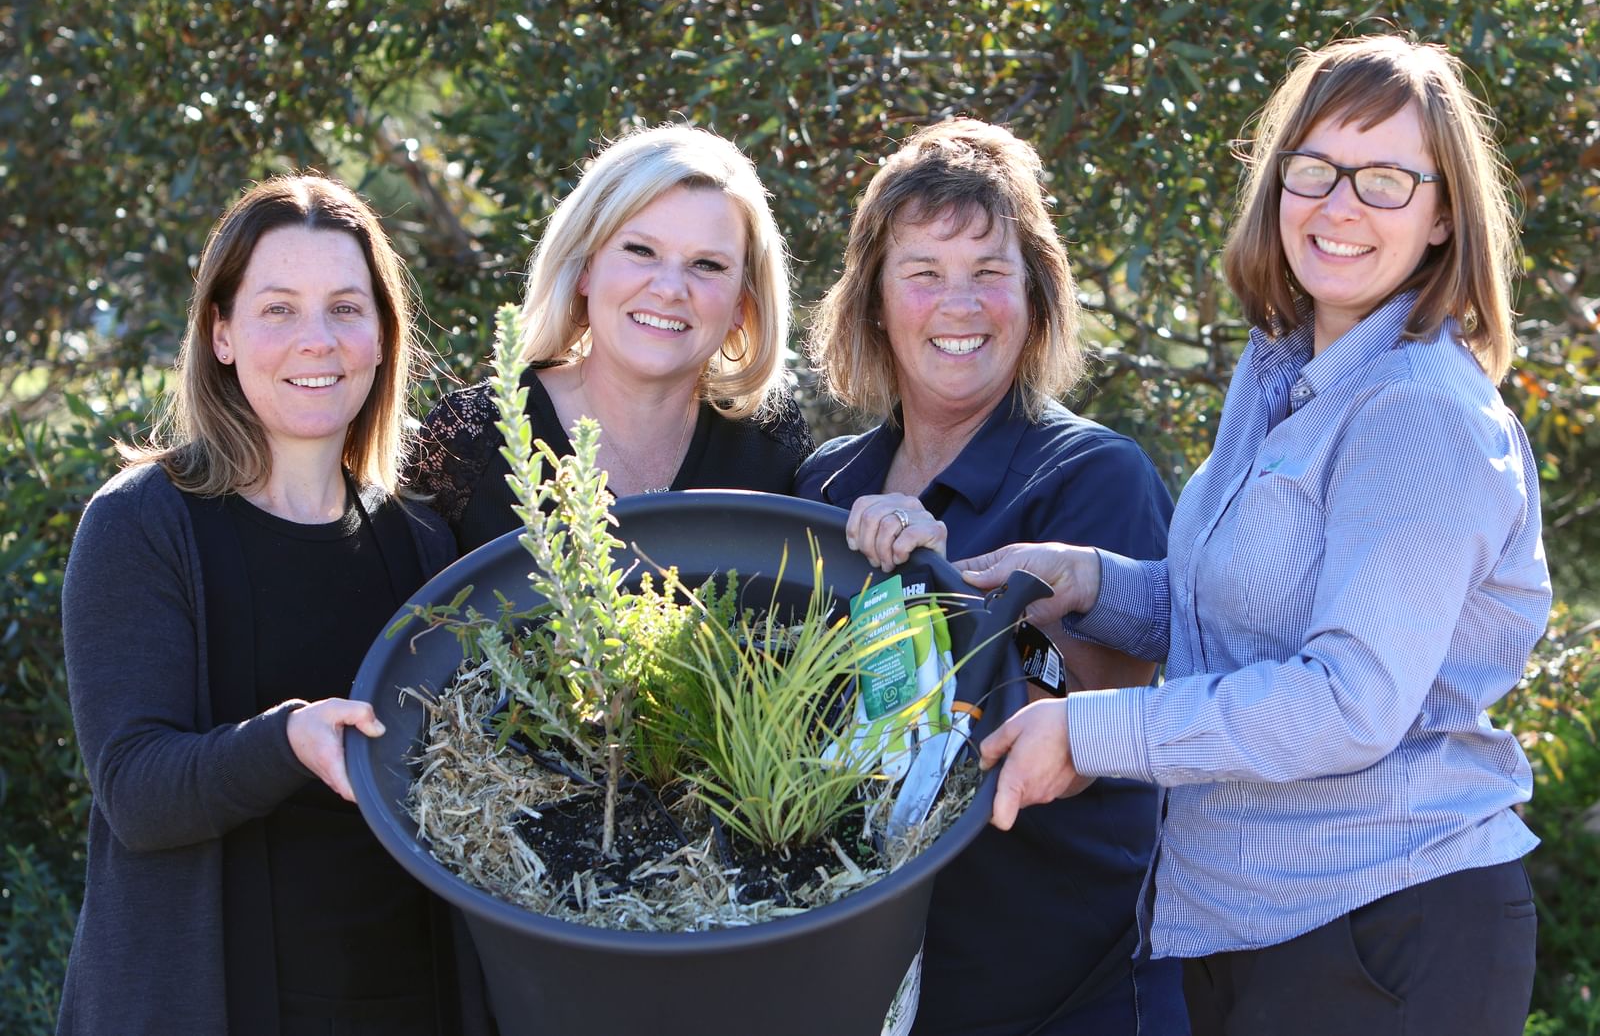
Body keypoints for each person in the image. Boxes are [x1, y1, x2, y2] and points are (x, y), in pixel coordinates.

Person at [963, 35, 1548, 1036]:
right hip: (1251, 931)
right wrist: (1085, 580)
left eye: (1384, 180)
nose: (1338, 205)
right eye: (1313, 168)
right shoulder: (1282, 371)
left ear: (1445, 214)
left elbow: (1349, 703)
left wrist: (1092, 733)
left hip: (1383, 932)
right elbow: (1236, 615)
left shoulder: (1417, 412)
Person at [58, 175, 486, 1036]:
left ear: (382, 334)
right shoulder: (143, 523)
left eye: (345, 308)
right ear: (221, 333)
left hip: (404, 1003)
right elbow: (136, 792)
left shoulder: (422, 540)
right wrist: (288, 740)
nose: (316, 340)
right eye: (278, 309)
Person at [796, 118, 1187, 1035]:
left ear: (1036, 296)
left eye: (988, 272)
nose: (958, 305)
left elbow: (1081, 742)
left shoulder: (1094, 477)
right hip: (872, 988)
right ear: (874, 301)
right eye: (924, 273)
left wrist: (934, 584)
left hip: (1074, 995)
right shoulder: (824, 487)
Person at [408, 124, 813, 552]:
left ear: (742, 304)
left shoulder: (771, 444)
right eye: (641, 251)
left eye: (707, 265)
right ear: (585, 267)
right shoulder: (472, 440)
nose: (669, 289)